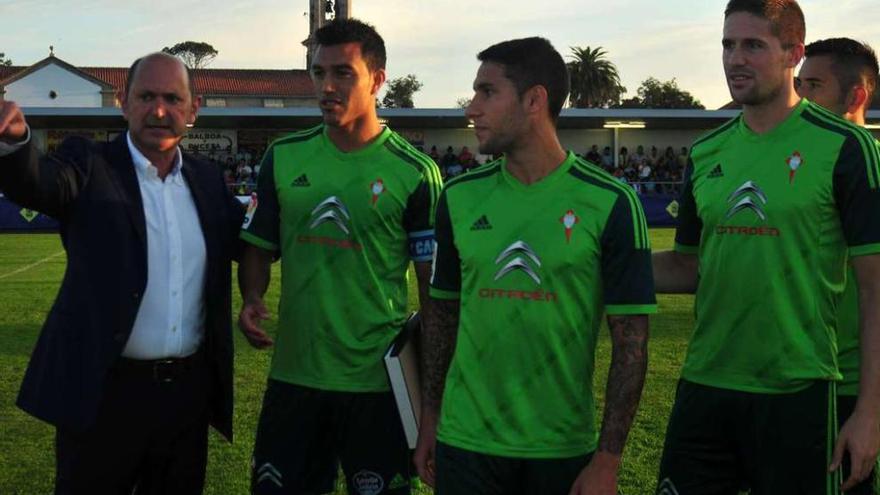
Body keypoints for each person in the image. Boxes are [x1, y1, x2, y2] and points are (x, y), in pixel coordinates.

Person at [652, 1, 880, 493]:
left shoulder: (845, 147)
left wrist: (869, 414)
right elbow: (687, 267)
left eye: (753, 45)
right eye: (728, 45)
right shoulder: (706, 152)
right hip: (706, 385)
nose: (736, 58)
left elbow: (875, 292)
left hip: (799, 391)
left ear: (792, 53)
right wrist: (594, 263)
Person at [414, 36, 655, 495]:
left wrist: (607, 460)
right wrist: (431, 419)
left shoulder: (610, 202)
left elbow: (631, 344)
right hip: (466, 443)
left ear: (533, 100)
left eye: (487, 92)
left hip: (561, 448)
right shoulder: (459, 198)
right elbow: (442, 317)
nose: (471, 107)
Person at [0, 52, 244, 494]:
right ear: (122, 102)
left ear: (194, 109)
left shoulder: (209, 180)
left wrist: (258, 295)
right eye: (146, 96)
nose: (159, 110)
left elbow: (247, 246)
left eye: (173, 98)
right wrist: (15, 142)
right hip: (104, 396)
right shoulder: (89, 163)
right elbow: (41, 183)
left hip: (186, 399)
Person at [237, 18, 442, 495]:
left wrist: (431, 405)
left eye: (343, 73)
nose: (326, 86)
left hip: (377, 388)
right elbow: (259, 247)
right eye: (317, 72)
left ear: (377, 78)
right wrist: (251, 296)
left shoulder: (416, 173)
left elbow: (435, 296)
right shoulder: (283, 158)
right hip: (294, 378)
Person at [797, 36, 880, 495]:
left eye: (814, 86)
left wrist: (870, 409)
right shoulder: (801, 172)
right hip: (797, 382)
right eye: (798, 83)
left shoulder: (873, 172)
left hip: (850, 387)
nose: (799, 98)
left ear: (856, 97)